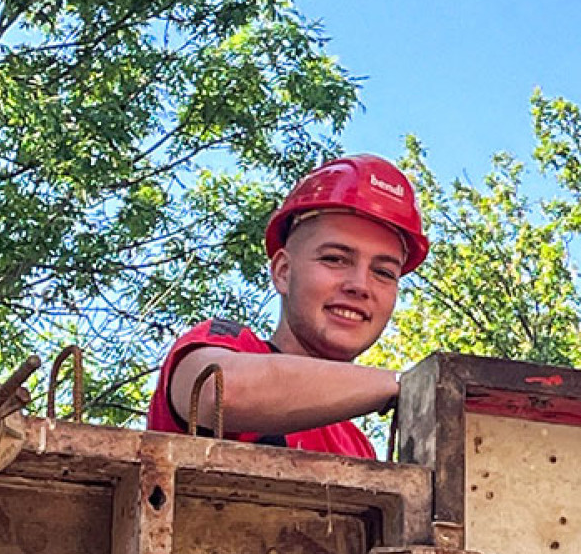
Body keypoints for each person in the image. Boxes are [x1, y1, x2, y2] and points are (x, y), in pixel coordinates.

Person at [144, 154, 428, 459]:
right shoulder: (225, 345)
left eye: (383, 272)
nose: (359, 285)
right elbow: (216, 393)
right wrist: (402, 384)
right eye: (335, 258)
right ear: (283, 271)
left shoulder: (357, 447)